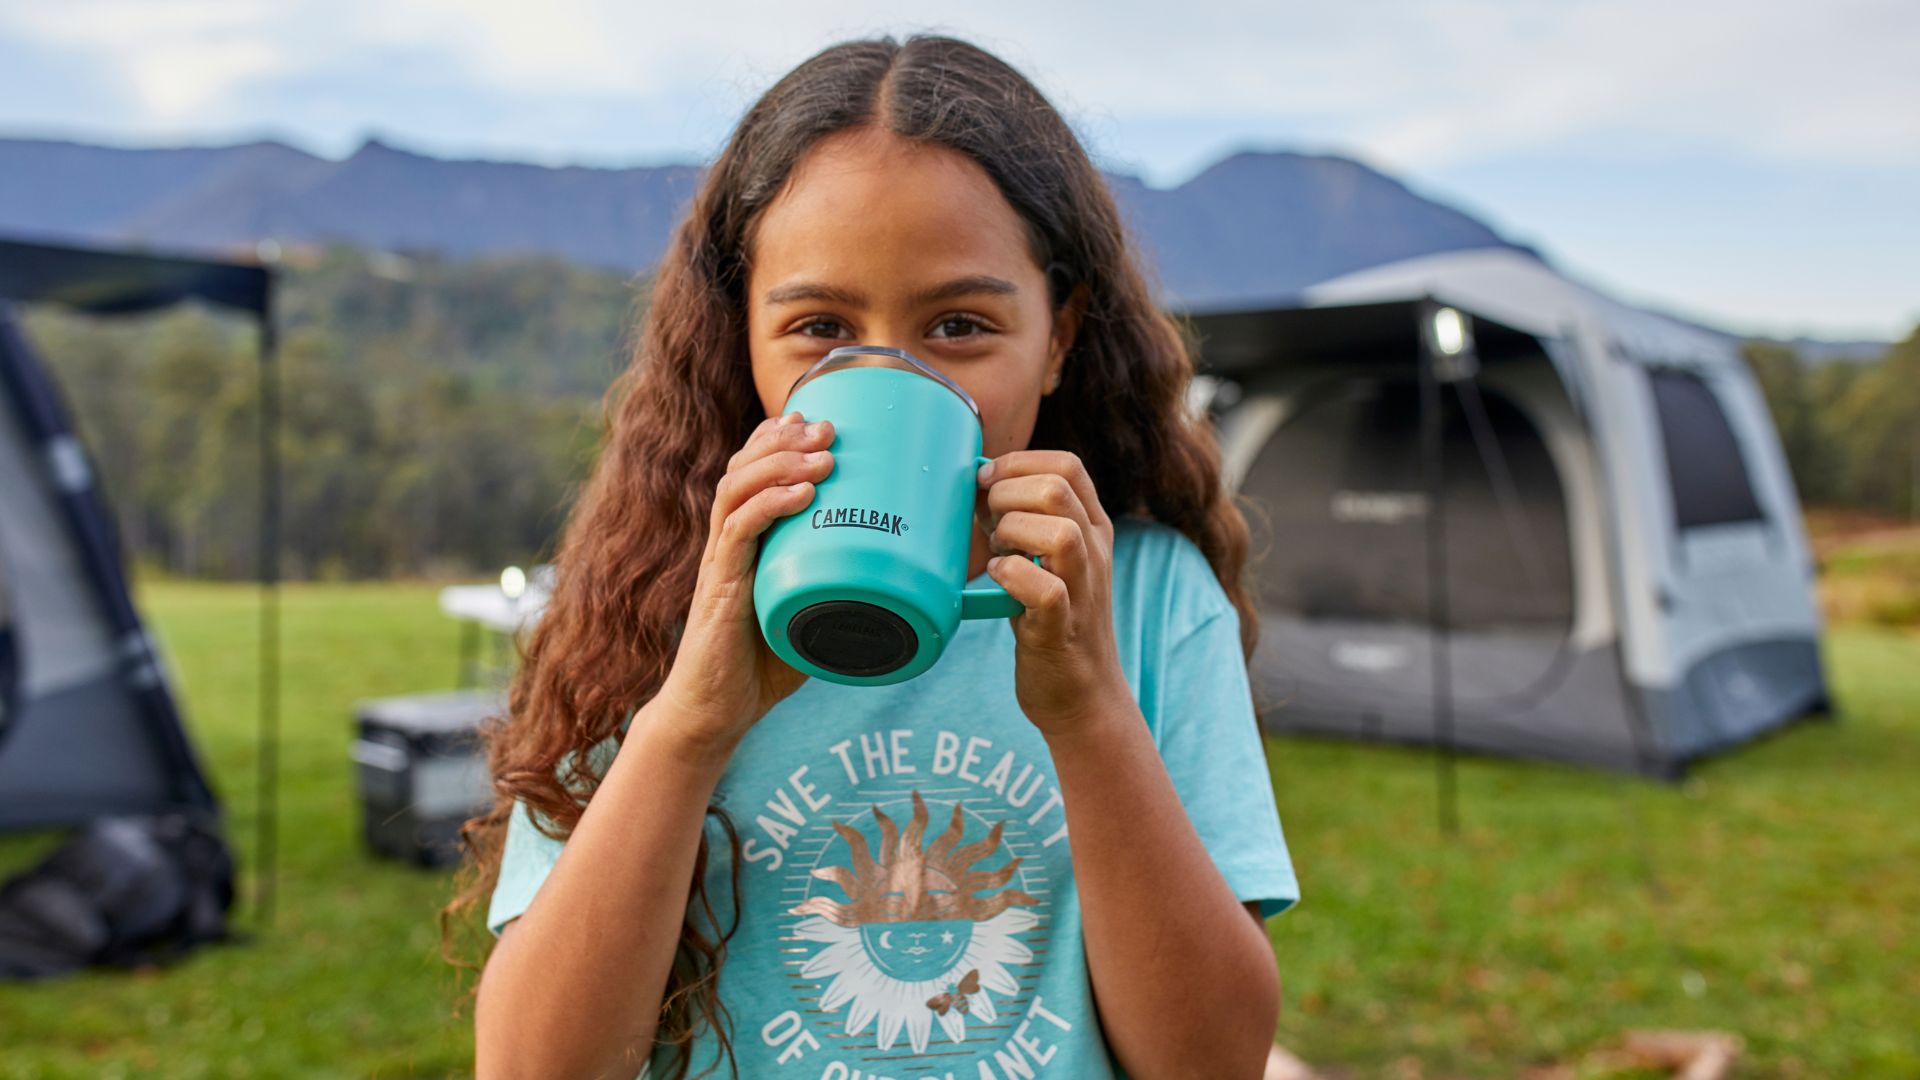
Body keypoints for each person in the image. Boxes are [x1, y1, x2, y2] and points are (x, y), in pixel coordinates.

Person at [446, 33, 1300, 1080]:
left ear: (1060, 335)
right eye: (819, 326)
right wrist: (687, 728)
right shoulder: (654, 599)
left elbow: (1211, 1064)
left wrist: (1088, 712)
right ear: (742, 338)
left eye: (958, 323)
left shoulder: (1153, 599)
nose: (893, 374)